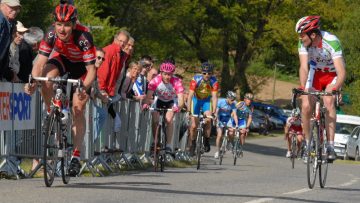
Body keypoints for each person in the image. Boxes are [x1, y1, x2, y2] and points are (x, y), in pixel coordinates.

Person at [24, 3, 97, 177]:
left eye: (66, 25)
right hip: (62, 60)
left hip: (82, 69)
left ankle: (76, 157)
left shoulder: (83, 36)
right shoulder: (50, 33)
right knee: (47, 76)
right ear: (54, 24)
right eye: (58, 24)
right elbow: (40, 63)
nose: (62, 29)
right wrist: (33, 81)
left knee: (78, 109)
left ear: (73, 24)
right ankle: (51, 111)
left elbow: (92, 71)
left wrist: (83, 88)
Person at [295, 16, 346, 161]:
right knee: (305, 104)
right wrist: (303, 87)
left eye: (302, 35)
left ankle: (330, 145)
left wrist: (336, 88)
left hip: (332, 74)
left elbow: (341, 71)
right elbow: (304, 67)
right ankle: (307, 143)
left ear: (312, 34)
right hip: (315, 73)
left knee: (328, 100)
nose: (300, 38)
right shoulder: (303, 44)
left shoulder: (332, 41)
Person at [142, 62, 185, 153]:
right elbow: (149, 96)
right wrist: (145, 104)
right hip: (159, 100)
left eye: (169, 74)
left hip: (171, 101)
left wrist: (179, 107)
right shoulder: (155, 81)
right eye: (165, 74)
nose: (167, 77)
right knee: (155, 120)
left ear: (172, 74)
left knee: (169, 120)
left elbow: (181, 99)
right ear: (161, 73)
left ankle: (169, 144)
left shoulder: (177, 81)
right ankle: (155, 141)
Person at [97, 30, 130, 132]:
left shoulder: (120, 54)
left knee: (102, 119)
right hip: (103, 91)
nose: (122, 44)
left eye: (124, 42)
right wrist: (102, 90)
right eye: (120, 41)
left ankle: (99, 146)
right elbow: (103, 71)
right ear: (115, 39)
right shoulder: (109, 51)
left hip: (108, 91)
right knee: (99, 119)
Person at [187, 62, 219, 155]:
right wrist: (189, 111)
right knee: (193, 126)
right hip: (196, 100)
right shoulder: (196, 79)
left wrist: (213, 112)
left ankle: (206, 140)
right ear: (202, 73)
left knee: (208, 120)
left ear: (211, 73)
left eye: (209, 73)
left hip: (206, 101)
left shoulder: (214, 81)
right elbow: (190, 96)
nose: (207, 75)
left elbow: (214, 97)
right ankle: (192, 144)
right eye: (204, 73)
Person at [0, 0, 21, 81]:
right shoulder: (1, 20)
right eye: (12, 7)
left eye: (17, 9)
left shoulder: (9, 23)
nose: (15, 11)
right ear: (1, 5)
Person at [214, 91, 238, 159]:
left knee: (231, 132)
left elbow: (235, 115)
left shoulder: (233, 104)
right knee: (219, 135)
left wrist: (236, 124)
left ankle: (230, 143)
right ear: (228, 98)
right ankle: (217, 151)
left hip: (228, 119)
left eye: (234, 99)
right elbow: (216, 111)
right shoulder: (220, 101)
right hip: (220, 118)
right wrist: (215, 117)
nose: (233, 101)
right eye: (232, 99)